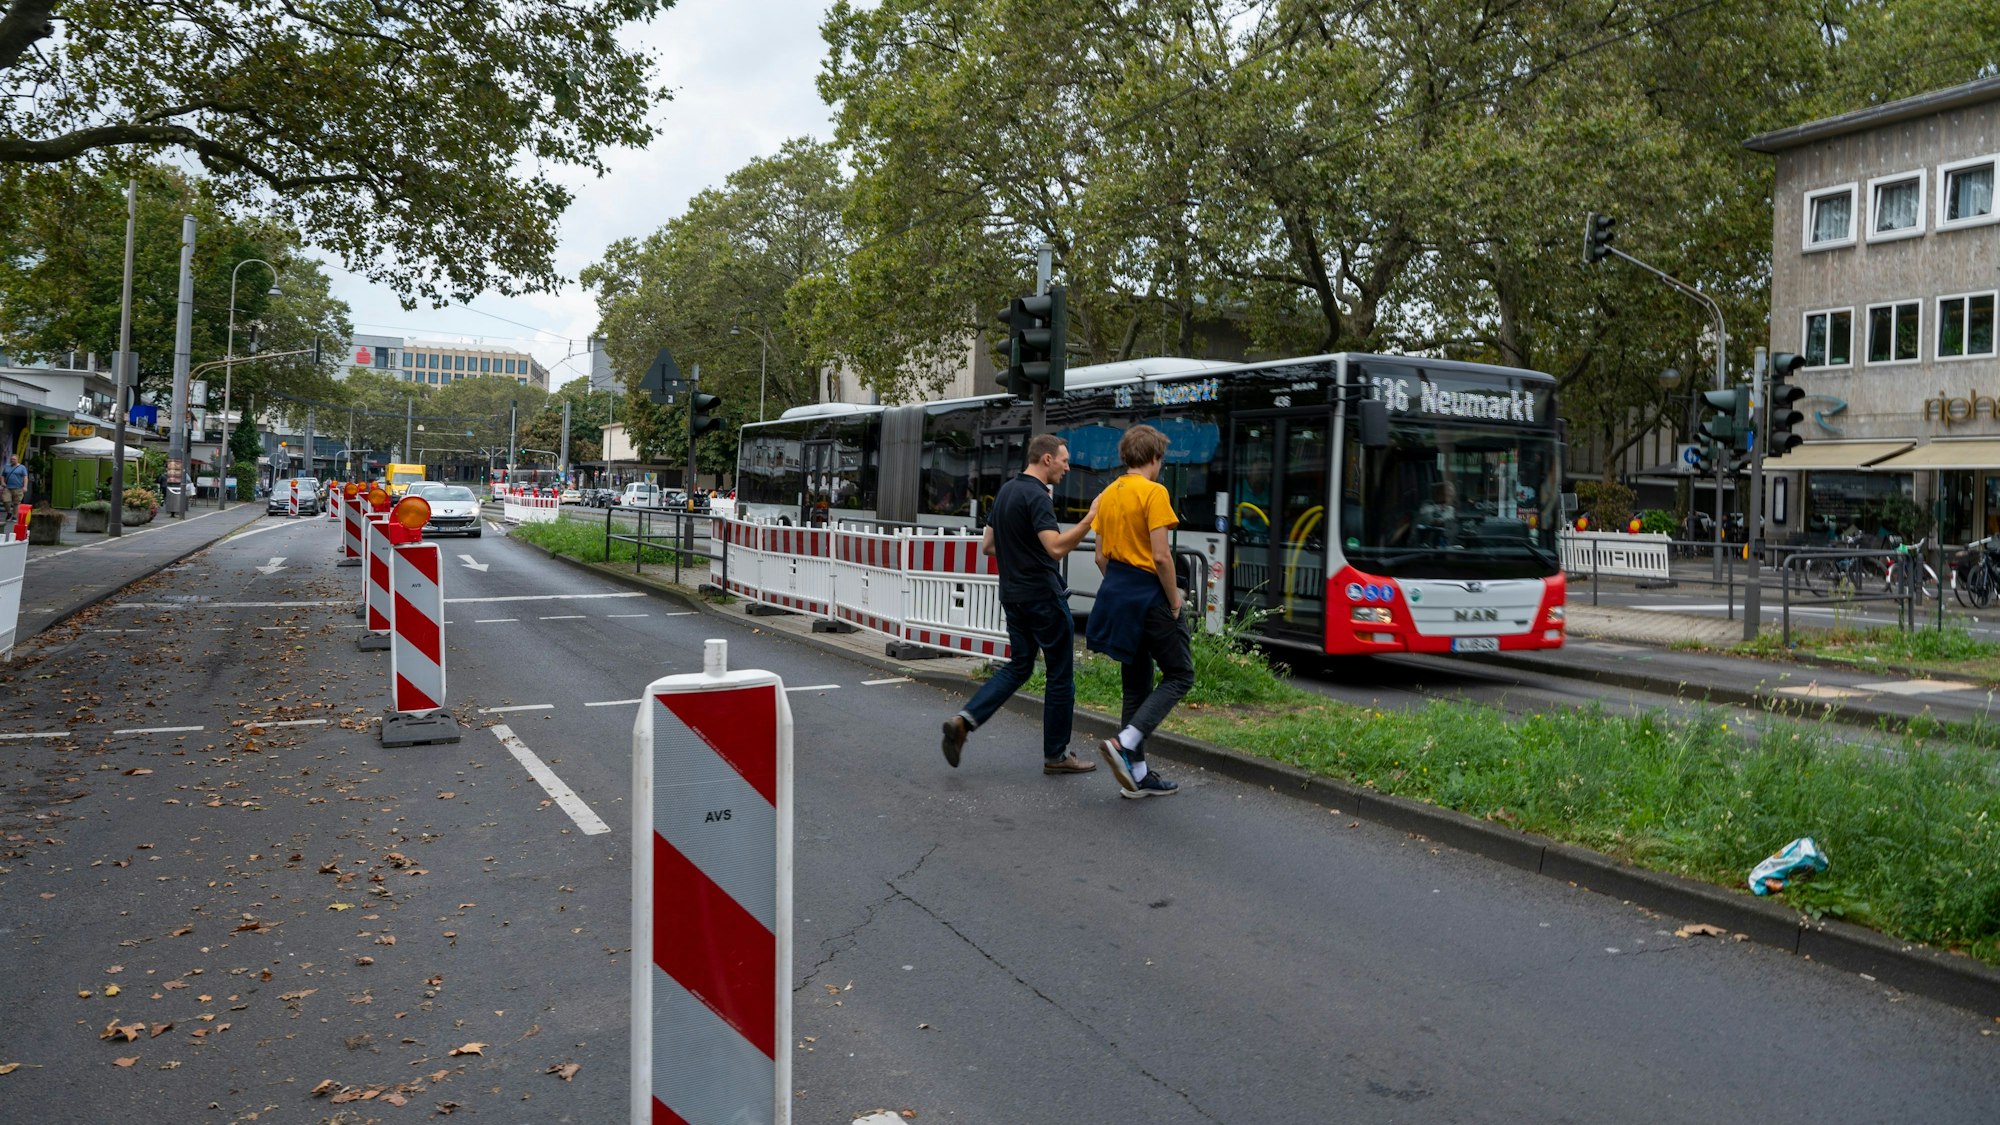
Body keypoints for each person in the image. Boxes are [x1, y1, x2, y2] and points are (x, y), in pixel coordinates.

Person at [939, 434, 1100, 776]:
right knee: (1060, 674)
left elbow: (988, 545)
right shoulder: (1037, 497)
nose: (1068, 468)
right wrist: (1089, 519)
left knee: (1020, 665)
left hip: (1012, 595)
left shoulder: (1007, 492)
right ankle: (1056, 755)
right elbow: (1055, 548)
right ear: (1046, 459)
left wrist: (1022, 552)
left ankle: (964, 721)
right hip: (1043, 596)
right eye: (1064, 460)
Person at [1087, 424, 1193, 798]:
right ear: (1154, 458)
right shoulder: (1154, 492)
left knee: (1136, 683)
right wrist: (1174, 601)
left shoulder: (1108, 493)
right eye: (1160, 460)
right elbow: (1162, 555)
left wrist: (1120, 586)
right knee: (1181, 673)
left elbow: (1100, 556)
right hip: (1150, 595)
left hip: (1117, 592)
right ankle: (1126, 742)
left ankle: (1138, 775)